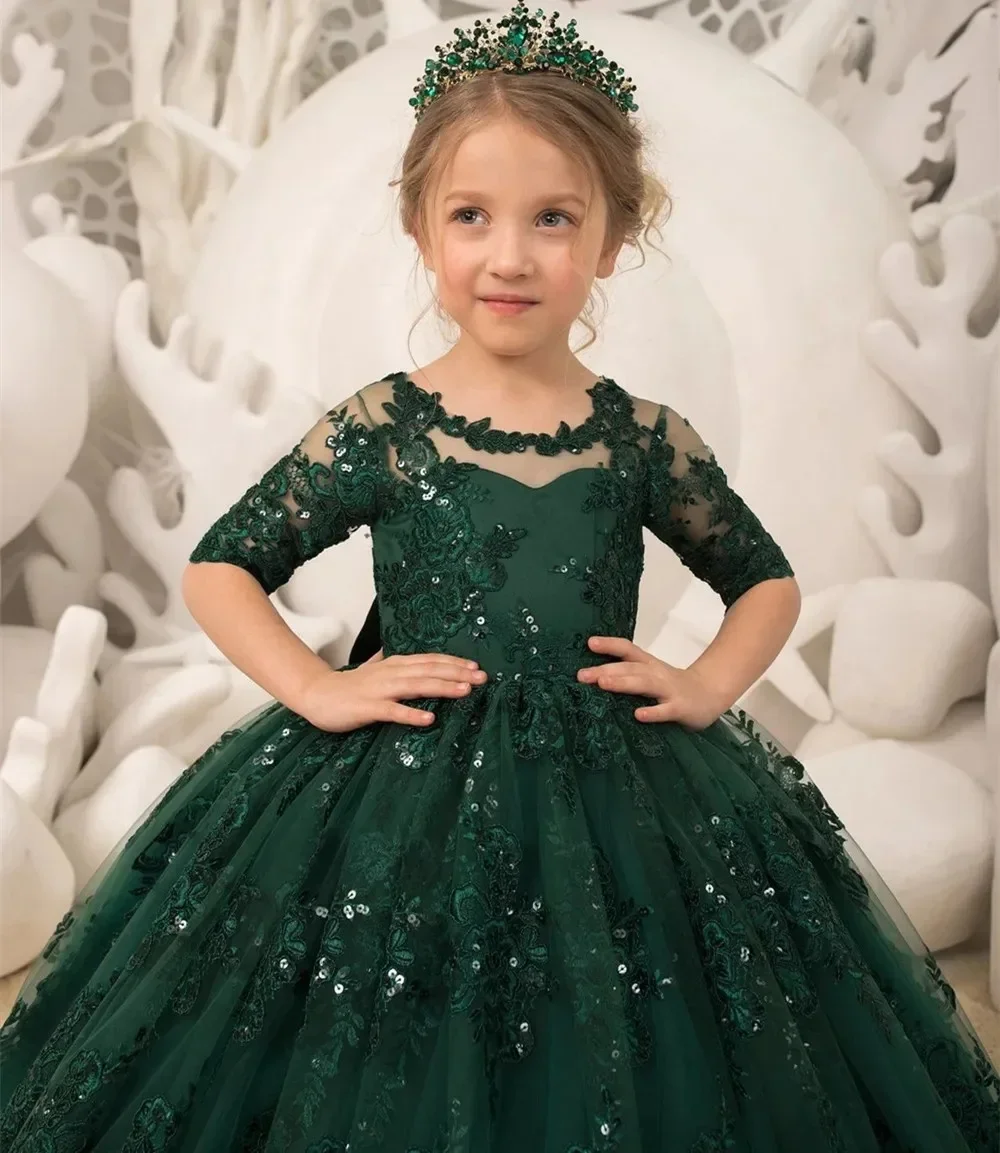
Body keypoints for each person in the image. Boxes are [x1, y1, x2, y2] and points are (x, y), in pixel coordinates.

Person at [2, 5, 997, 1150]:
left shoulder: (642, 439)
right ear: (422, 231)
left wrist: (711, 683)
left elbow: (762, 581)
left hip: (618, 784)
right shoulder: (382, 426)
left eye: (552, 219)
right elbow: (226, 564)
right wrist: (320, 688)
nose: (509, 254)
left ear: (614, 236)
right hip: (401, 782)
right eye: (471, 216)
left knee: (623, 1018)